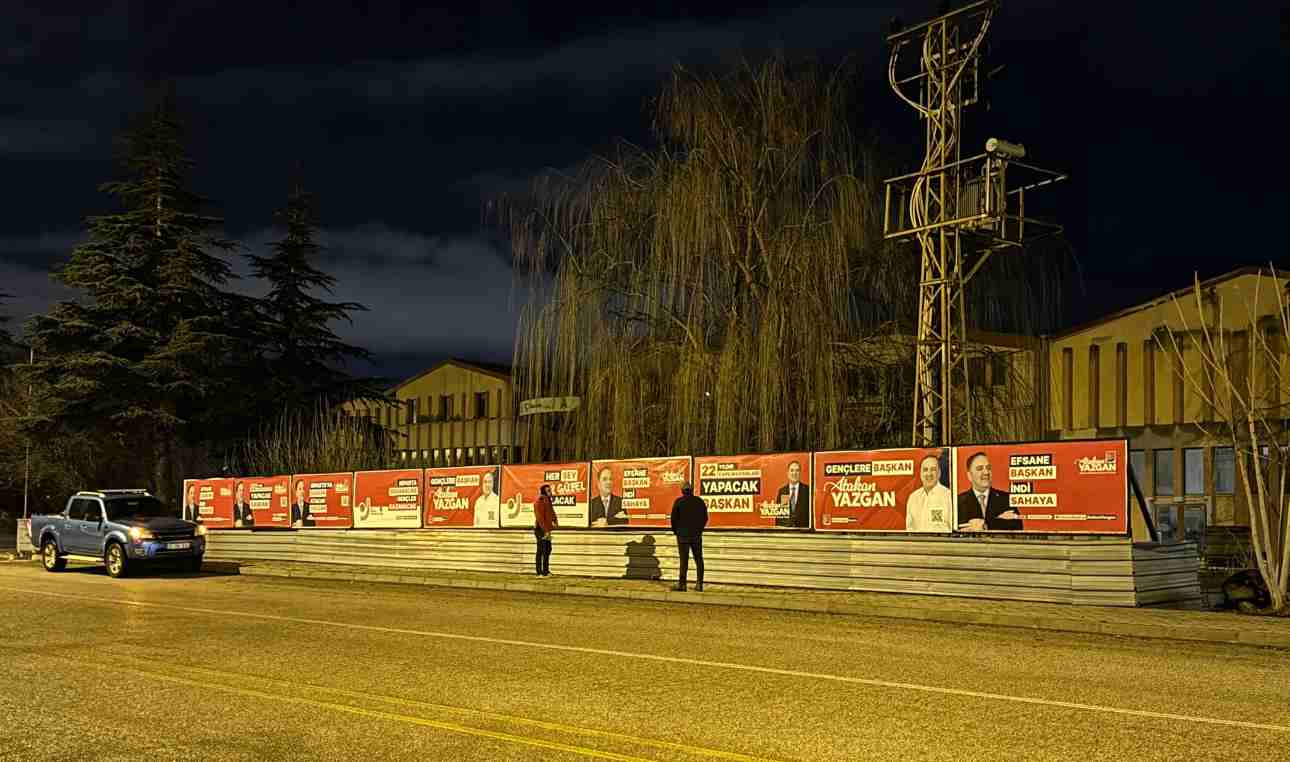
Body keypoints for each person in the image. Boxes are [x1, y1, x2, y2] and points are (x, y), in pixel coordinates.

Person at [956, 451, 1022, 531]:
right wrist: (998, 521)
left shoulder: (1006, 499)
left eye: (988, 468)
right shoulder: (958, 502)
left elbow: (1017, 527)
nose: (986, 472)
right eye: (980, 468)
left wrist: (986, 526)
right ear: (969, 476)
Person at [670, 481, 708, 591]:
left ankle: (682, 585)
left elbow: (673, 519)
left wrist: (676, 532)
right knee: (699, 559)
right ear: (692, 490)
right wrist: (699, 530)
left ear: (682, 491)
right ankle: (699, 584)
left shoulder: (679, 502)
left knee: (684, 561)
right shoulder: (699, 501)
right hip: (696, 535)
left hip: (682, 536)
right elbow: (705, 518)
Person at [906, 453, 952, 532]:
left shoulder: (949, 496)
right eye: (925, 470)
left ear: (939, 473)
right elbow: (909, 528)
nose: (929, 474)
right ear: (920, 474)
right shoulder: (913, 497)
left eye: (933, 469)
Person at [773, 460, 810, 528]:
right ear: (788, 473)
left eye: (797, 470)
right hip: (786, 531)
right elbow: (779, 516)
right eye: (792, 470)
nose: (794, 473)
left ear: (800, 473)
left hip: (803, 531)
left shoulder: (807, 490)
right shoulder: (782, 491)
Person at [533, 484, 558, 576]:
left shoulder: (547, 500)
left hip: (546, 529)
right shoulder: (540, 501)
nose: (550, 492)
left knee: (547, 549)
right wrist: (546, 530)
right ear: (544, 492)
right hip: (541, 529)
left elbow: (551, 512)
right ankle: (539, 572)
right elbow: (540, 518)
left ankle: (545, 571)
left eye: (550, 490)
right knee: (541, 550)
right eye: (548, 491)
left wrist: (555, 520)